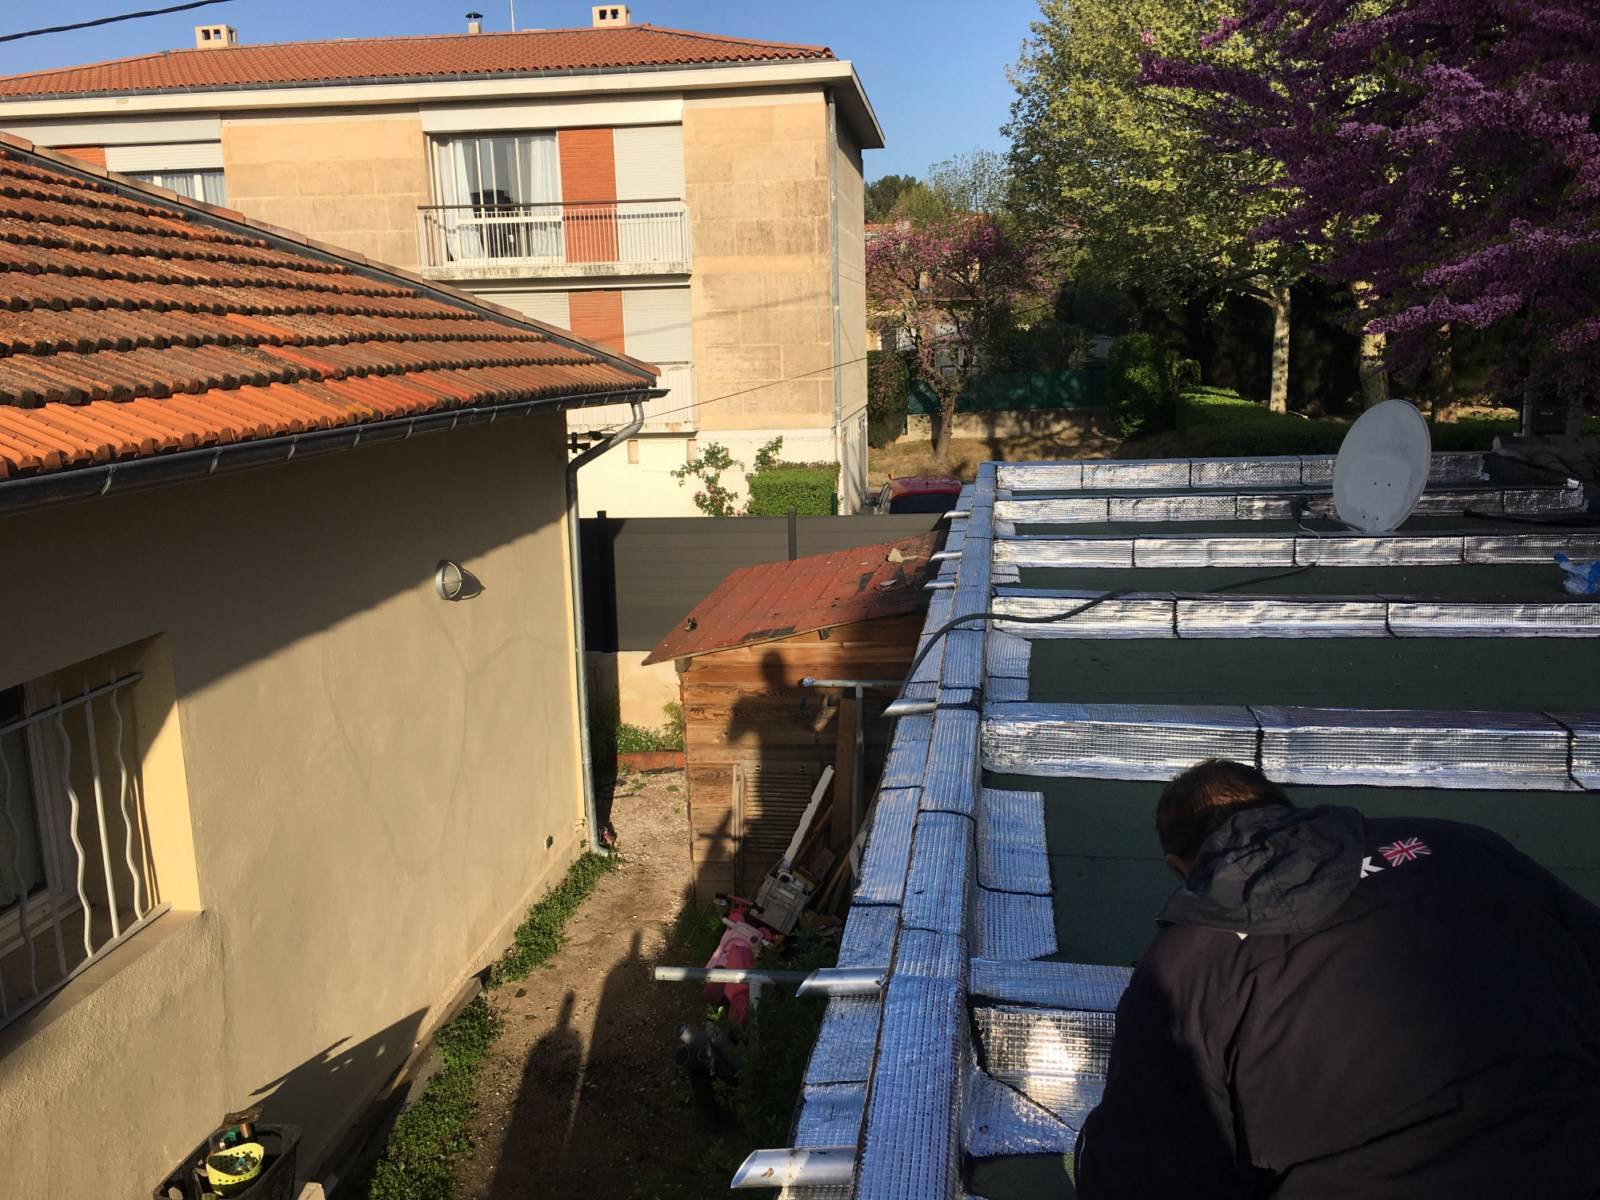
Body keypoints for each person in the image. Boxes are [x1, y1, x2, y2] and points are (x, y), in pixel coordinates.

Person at [1074, 758, 1600, 1199]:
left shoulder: (1182, 969)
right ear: (1286, 812)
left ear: (1178, 866)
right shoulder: (1463, 845)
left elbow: (1145, 1170)